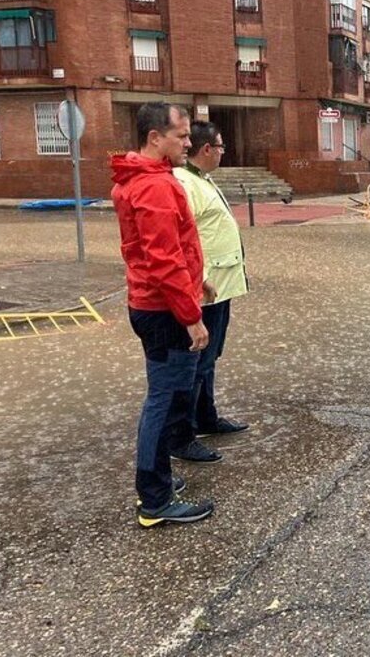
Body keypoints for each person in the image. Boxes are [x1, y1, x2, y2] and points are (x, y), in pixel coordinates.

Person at [111, 102, 216, 528]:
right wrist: (190, 313)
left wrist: (198, 281)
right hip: (164, 310)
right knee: (165, 399)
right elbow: (163, 258)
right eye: (182, 135)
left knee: (164, 396)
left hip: (157, 304)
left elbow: (175, 249)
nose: (189, 143)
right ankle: (154, 498)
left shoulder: (146, 178)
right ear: (156, 138)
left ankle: (158, 483)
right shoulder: (153, 187)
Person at [170, 121, 250, 463]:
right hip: (203, 289)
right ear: (207, 150)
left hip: (220, 286)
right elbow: (178, 239)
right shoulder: (185, 183)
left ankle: (206, 417)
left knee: (209, 358)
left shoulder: (202, 179)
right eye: (220, 148)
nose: (221, 153)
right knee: (195, 362)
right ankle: (182, 435)